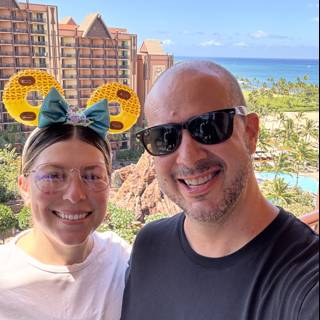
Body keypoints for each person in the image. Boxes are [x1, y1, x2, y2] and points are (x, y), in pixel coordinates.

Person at [121, 61, 319, 320]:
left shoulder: (306, 280)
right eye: (164, 137)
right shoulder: (149, 247)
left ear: (250, 132)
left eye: (209, 127)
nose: (188, 158)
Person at [0, 88, 131, 320]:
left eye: (92, 176)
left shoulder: (124, 263)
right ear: (24, 186)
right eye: (53, 175)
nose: (75, 194)